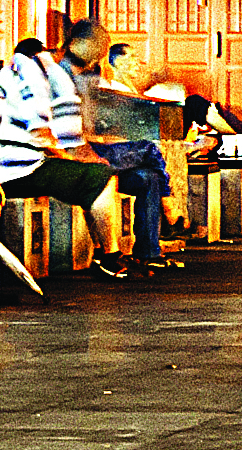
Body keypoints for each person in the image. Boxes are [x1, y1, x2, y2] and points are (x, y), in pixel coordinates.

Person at [0, 21, 118, 257]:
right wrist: (81, 157)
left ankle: (103, 253)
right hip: (27, 170)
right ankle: (110, 254)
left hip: (3, 167)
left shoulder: (8, 80)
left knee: (86, 176)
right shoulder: (46, 84)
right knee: (102, 176)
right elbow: (66, 142)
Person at [69, 23, 181, 274]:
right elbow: (87, 135)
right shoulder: (84, 89)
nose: (137, 63)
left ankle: (148, 253)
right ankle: (168, 202)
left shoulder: (112, 92)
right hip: (89, 157)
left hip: (110, 156)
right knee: (148, 149)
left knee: (148, 177)